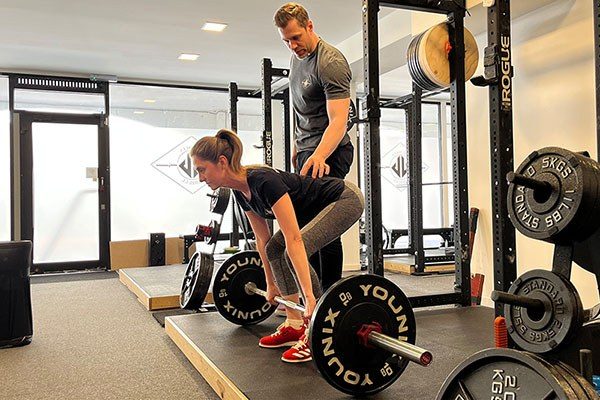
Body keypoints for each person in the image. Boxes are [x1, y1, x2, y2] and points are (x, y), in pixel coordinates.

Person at [190, 129, 364, 363]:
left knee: (299, 249)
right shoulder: (240, 192)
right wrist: (271, 284)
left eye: (202, 169)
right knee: (274, 248)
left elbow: (294, 240)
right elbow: (263, 240)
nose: (200, 177)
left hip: (344, 200)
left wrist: (309, 298)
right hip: (316, 209)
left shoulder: (263, 180)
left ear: (221, 162)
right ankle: (294, 323)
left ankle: (317, 328)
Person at [274, 3, 354, 291]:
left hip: (330, 151)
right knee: (306, 223)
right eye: (286, 40)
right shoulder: (297, 58)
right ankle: (315, 294)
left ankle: (331, 295)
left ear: (310, 26)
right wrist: (299, 145)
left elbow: (338, 121)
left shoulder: (330, 61)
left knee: (324, 226)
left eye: (296, 37)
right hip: (308, 150)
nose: (293, 45)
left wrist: (319, 154)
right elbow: (301, 109)